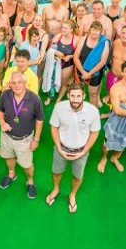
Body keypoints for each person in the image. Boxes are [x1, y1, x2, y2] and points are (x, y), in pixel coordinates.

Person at [46, 82, 101, 213]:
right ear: (68, 95)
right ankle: (56, 189)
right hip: (62, 148)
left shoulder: (93, 111)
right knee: (56, 171)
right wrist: (59, 148)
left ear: (84, 96)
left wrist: (84, 151)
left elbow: (94, 133)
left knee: (78, 175)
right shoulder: (59, 108)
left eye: (78, 96)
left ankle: (72, 194)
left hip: (81, 151)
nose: (75, 100)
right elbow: (54, 127)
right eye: (73, 96)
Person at [0, 71, 44, 199]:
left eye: (19, 82)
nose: (17, 85)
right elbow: (0, 111)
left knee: (27, 165)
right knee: (8, 157)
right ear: (10, 84)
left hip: (25, 140)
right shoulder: (5, 95)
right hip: (7, 137)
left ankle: (30, 181)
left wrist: (36, 139)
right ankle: (11, 174)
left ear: (25, 83)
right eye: (14, 83)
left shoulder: (34, 99)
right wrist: (2, 122)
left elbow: (39, 121)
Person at [73, 21, 111, 108]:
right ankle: (78, 111)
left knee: (93, 94)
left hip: (95, 72)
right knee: (78, 92)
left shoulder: (104, 42)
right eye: (93, 29)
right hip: (80, 69)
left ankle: (91, 114)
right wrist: (83, 72)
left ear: (101, 32)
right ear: (89, 30)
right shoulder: (83, 39)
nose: (94, 32)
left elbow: (102, 62)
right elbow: (76, 56)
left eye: (97, 30)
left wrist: (89, 74)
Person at [45, 20, 78, 106]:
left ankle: (59, 98)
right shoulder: (58, 36)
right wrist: (56, 53)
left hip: (67, 64)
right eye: (62, 27)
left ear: (71, 30)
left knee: (64, 83)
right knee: (52, 79)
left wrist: (70, 56)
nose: (63, 29)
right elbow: (49, 49)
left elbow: (78, 54)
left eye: (65, 28)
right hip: (55, 62)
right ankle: (50, 96)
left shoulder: (76, 39)